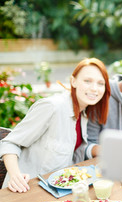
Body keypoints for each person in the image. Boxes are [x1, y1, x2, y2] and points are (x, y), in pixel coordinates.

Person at [0, 58, 111, 193]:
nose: (94, 88)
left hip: (58, 192)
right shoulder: (52, 107)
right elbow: (10, 142)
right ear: (73, 81)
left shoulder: (84, 115)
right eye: (87, 81)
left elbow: (74, 152)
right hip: (25, 190)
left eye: (100, 83)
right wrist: (15, 175)